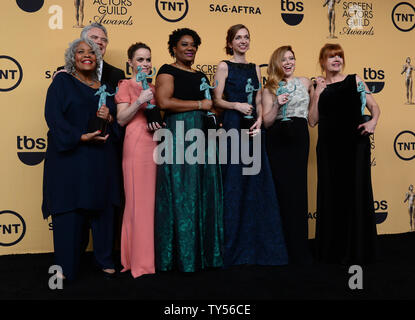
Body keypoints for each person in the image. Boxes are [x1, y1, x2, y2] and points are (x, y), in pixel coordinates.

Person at [42, 38, 122, 281]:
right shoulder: (61, 83)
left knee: (103, 209)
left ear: (98, 58)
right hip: (70, 159)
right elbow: (53, 118)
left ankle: (104, 259)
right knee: (69, 210)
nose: (87, 55)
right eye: (81, 52)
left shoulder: (105, 88)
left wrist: (109, 118)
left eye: (93, 52)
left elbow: (117, 128)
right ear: (72, 57)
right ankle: (65, 265)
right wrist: (79, 136)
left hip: (100, 159)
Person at [213, 24, 288, 267]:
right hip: (233, 125)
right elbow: (216, 99)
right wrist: (235, 106)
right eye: (238, 38)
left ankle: (258, 247)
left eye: (246, 37)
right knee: (234, 183)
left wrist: (259, 117)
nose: (243, 41)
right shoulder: (224, 66)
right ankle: (232, 250)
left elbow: (257, 97)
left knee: (256, 184)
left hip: (253, 129)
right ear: (230, 42)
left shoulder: (256, 67)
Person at [154, 28, 224, 272]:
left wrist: (214, 110)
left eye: (193, 44)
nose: (189, 48)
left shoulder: (201, 74)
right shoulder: (167, 71)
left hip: (203, 136)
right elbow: (163, 102)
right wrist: (199, 104)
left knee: (202, 190)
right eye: (184, 44)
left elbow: (212, 105)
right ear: (174, 47)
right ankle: (181, 257)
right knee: (182, 191)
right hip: (179, 135)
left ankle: (203, 254)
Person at [309, 43, 381, 265]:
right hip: (330, 149)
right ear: (323, 61)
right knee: (332, 195)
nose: (336, 60)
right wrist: (318, 92)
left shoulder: (355, 80)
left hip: (355, 146)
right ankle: (333, 250)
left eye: (339, 56)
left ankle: (358, 250)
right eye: (331, 57)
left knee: (356, 193)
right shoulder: (316, 85)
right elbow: (312, 120)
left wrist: (373, 123)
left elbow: (374, 107)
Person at [262, 46, 314, 265]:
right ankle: (281, 249)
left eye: (291, 58)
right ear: (276, 62)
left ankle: (299, 248)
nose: (288, 62)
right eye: (283, 59)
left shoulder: (305, 82)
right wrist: (276, 102)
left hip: (300, 137)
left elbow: (312, 117)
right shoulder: (269, 88)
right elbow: (266, 121)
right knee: (282, 192)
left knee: (298, 192)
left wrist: (319, 94)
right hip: (278, 139)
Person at [115, 42, 162, 278]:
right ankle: (139, 263)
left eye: (148, 59)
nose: (145, 64)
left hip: (154, 145)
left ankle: (146, 258)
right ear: (131, 63)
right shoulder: (126, 85)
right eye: (140, 60)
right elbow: (121, 119)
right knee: (137, 204)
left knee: (151, 205)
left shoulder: (154, 87)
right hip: (135, 146)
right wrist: (139, 100)